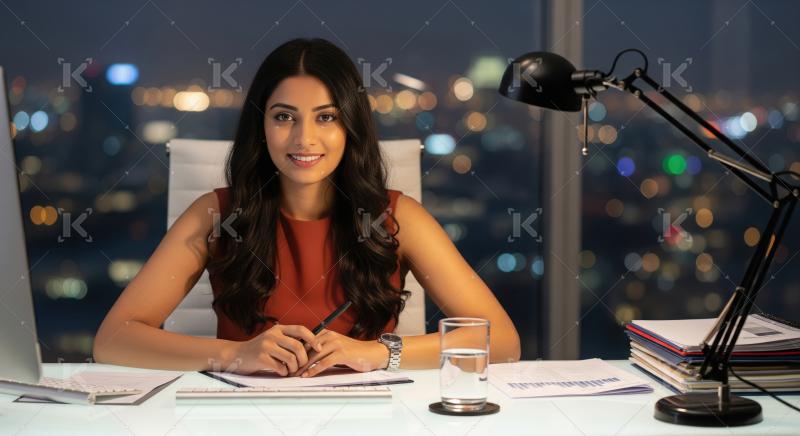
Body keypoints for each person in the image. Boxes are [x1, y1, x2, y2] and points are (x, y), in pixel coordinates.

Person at [93, 38, 520, 377]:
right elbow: (112, 340)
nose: (303, 138)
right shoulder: (216, 215)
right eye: (283, 117)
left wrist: (376, 353)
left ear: (350, 126)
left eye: (326, 117)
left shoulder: (397, 218)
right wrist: (236, 354)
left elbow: (501, 341)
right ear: (260, 126)